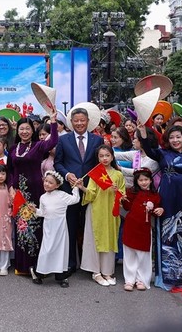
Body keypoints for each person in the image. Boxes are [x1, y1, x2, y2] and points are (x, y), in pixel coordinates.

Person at [138, 122, 182, 290]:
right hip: (167, 198)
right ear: (167, 139)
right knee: (167, 234)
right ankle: (166, 276)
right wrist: (143, 132)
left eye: (178, 137)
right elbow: (148, 149)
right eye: (172, 137)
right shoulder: (162, 153)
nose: (175, 140)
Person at [54, 107, 103, 274]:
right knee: (70, 225)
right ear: (71, 122)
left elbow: (101, 164)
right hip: (70, 190)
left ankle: (90, 263)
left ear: (88, 121)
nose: (80, 123)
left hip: (90, 190)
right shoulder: (63, 140)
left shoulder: (98, 140)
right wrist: (67, 175)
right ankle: (70, 262)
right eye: (76, 120)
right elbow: (58, 163)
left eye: (82, 120)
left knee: (90, 226)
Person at [8, 113, 58, 275]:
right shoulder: (13, 149)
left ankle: (38, 266)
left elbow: (53, 141)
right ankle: (22, 266)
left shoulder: (38, 146)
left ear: (32, 130)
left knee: (36, 227)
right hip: (19, 192)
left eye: (27, 129)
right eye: (21, 129)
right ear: (17, 131)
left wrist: (53, 122)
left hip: (36, 191)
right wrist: (11, 187)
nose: (24, 132)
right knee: (21, 228)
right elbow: (10, 171)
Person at [78, 145, 125, 286]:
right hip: (96, 210)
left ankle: (107, 271)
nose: (104, 158)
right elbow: (91, 194)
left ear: (112, 156)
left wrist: (117, 192)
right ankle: (96, 272)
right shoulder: (96, 173)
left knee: (110, 238)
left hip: (111, 211)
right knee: (94, 239)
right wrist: (82, 187)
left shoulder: (118, 175)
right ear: (98, 158)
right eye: (101, 156)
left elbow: (123, 197)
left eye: (107, 155)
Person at [33, 170, 81, 288]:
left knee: (60, 251)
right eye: (46, 181)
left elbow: (75, 199)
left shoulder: (62, 195)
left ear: (57, 185)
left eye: (50, 182)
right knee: (46, 250)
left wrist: (76, 187)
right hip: (48, 228)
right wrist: (34, 210)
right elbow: (43, 212)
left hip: (60, 229)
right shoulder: (43, 197)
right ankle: (39, 273)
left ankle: (62, 276)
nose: (47, 184)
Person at [121, 168, 162, 291]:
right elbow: (127, 207)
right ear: (136, 181)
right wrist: (123, 199)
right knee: (129, 254)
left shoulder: (155, 195)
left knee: (143, 255)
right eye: (141, 180)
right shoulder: (131, 192)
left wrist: (160, 210)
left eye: (146, 179)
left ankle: (142, 279)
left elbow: (156, 210)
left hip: (144, 229)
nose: (143, 182)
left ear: (151, 180)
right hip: (131, 226)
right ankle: (129, 280)